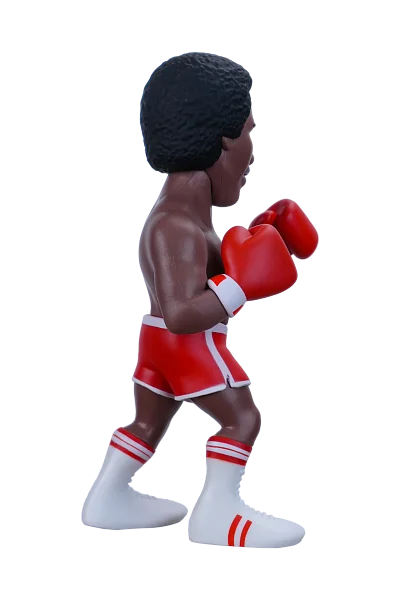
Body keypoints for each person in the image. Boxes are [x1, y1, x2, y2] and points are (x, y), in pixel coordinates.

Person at [82, 52, 318, 549]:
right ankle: (218, 517)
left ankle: (108, 497)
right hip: (183, 345)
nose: (251, 155)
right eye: (249, 133)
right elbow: (182, 313)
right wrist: (241, 285)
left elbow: (214, 258)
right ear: (224, 141)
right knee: (242, 418)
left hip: (156, 347)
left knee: (149, 420)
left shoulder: (182, 219)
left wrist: (262, 234)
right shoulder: (173, 225)